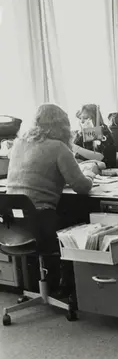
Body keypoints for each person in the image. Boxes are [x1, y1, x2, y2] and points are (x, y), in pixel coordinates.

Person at [7, 104, 99, 298]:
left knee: (67, 211)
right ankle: (71, 285)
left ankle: (51, 284)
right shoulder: (58, 147)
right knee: (82, 221)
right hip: (41, 223)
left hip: (13, 227)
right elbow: (82, 187)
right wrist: (91, 172)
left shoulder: (18, 144)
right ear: (62, 125)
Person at [73, 104, 117, 168]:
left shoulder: (102, 131)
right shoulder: (82, 133)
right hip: (88, 166)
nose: (81, 121)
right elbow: (75, 152)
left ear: (95, 118)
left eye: (85, 118)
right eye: (80, 118)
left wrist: (74, 147)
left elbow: (100, 157)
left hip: (105, 168)